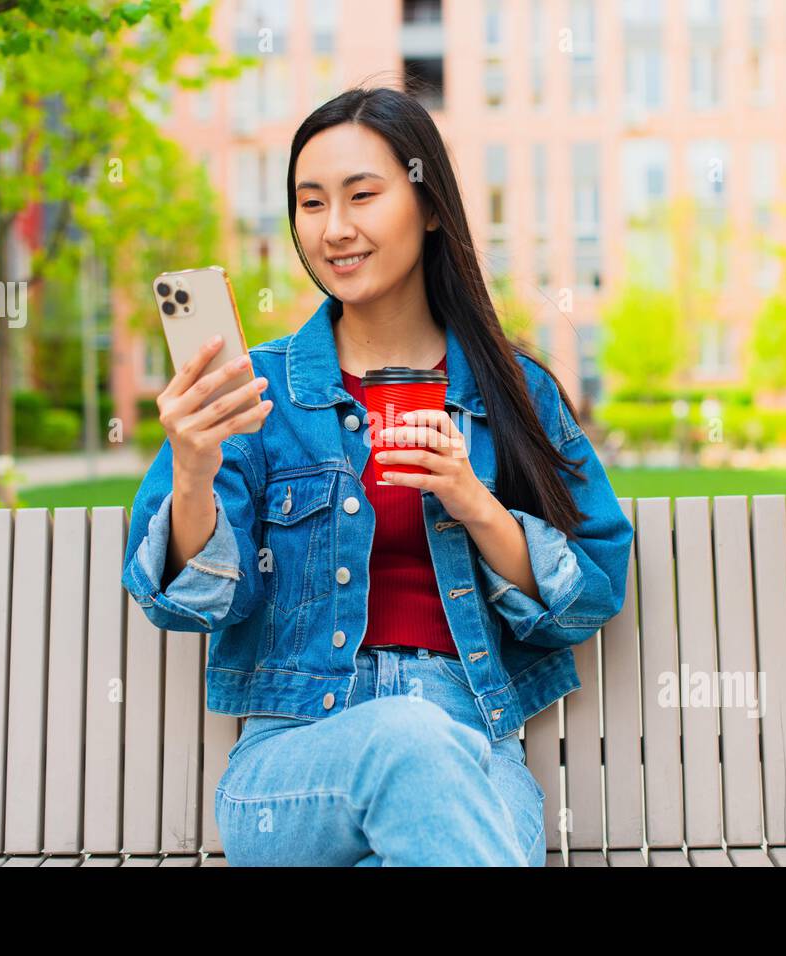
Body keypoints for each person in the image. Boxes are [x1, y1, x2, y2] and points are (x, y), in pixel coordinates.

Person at [122, 84, 633, 866]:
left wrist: (476, 506)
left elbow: (589, 590)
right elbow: (188, 604)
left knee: (427, 761)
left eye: (363, 195)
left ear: (429, 207)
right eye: (311, 202)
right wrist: (194, 473)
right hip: (292, 768)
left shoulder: (513, 392)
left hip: (474, 756)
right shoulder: (256, 394)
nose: (336, 229)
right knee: (408, 740)